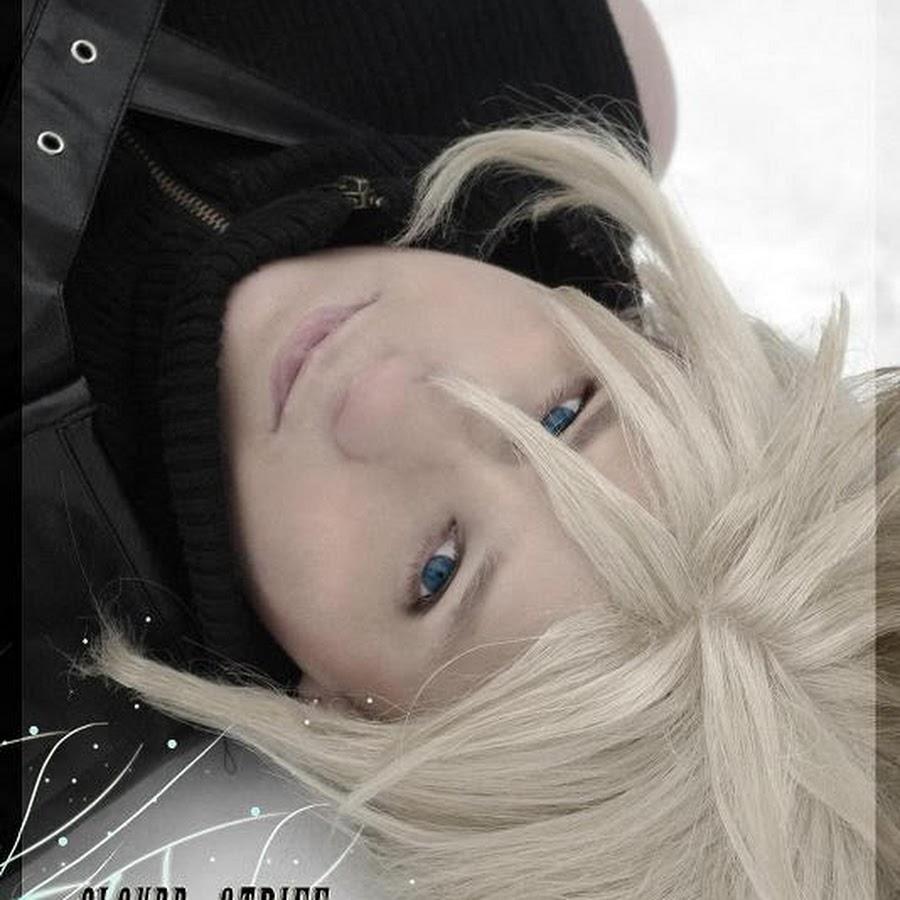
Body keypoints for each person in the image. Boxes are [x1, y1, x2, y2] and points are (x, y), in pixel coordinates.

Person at [18, 1, 900, 898]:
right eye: (563, 415)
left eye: (437, 570)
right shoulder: (550, 67)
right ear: (654, 341)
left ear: (349, 717)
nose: (387, 395)